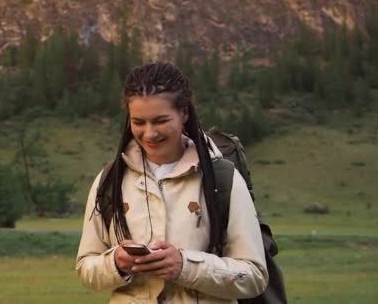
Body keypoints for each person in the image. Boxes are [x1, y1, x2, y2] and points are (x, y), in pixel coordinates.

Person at [76, 62, 268, 303]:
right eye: (139, 122)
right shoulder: (110, 180)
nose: (149, 133)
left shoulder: (223, 178)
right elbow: (85, 267)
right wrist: (116, 262)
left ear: (184, 113)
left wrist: (184, 266)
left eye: (160, 121)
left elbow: (254, 276)